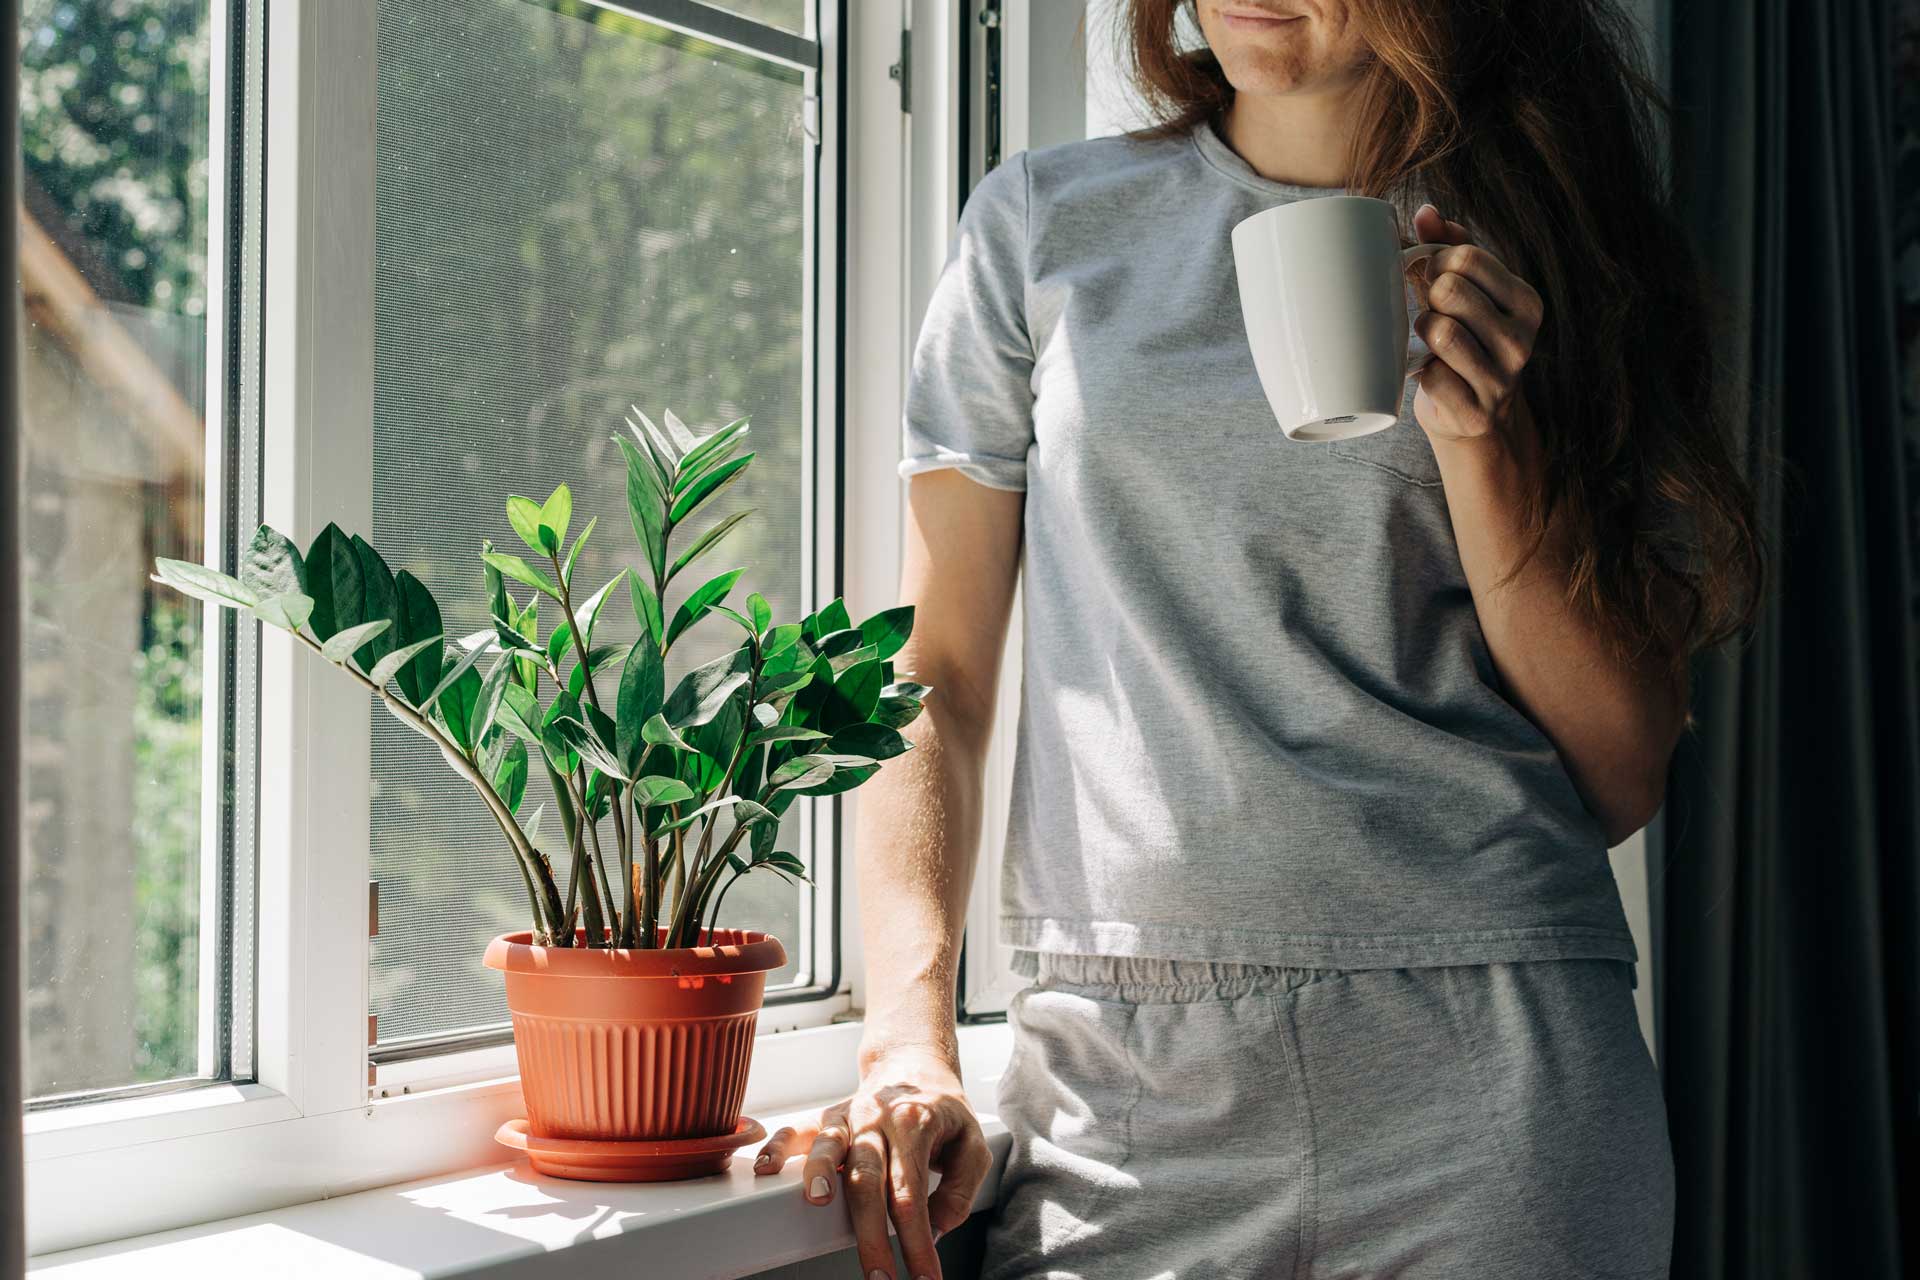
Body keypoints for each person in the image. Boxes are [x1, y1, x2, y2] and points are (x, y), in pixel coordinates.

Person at [753, 1, 1763, 1276]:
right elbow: (934, 676)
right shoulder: (1039, 223)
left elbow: (1620, 772)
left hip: (1492, 1063)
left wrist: (1482, 440)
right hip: (1119, 1083)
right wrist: (907, 1033)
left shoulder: (1562, 257)